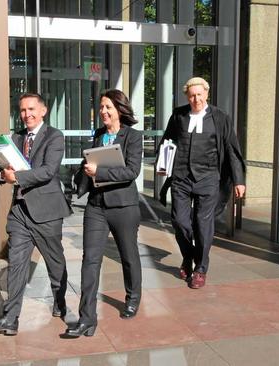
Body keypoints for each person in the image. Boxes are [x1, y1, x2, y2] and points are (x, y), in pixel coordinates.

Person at [0, 92, 72, 336]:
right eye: (22, 110)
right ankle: (10, 318)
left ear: (43, 111)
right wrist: (1, 175)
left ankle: (59, 300)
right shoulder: (16, 138)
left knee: (55, 263)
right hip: (20, 212)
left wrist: (16, 177)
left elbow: (48, 171)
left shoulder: (55, 136)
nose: (26, 114)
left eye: (31, 109)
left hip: (47, 213)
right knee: (17, 264)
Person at [64, 89, 143, 338]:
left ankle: (132, 298)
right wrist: (83, 174)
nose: (103, 111)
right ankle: (87, 318)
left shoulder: (133, 136)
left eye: (108, 107)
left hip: (123, 207)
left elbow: (131, 172)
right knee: (90, 260)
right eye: (101, 107)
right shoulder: (98, 135)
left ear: (119, 109)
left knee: (128, 256)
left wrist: (99, 172)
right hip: (96, 206)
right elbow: (88, 164)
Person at [157, 77, 246, 289]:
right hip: (181, 177)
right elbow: (167, 142)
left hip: (208, 178)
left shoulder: (220, 118)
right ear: (187, 96)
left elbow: (232, 150)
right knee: (179, 221)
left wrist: (238, 180)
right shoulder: (178, 115)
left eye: (199, 94)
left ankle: (200, 269)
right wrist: (162, 166)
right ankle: (189, 257)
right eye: (191, 95)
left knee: (203, 223)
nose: (196, 99)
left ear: (206, 93)